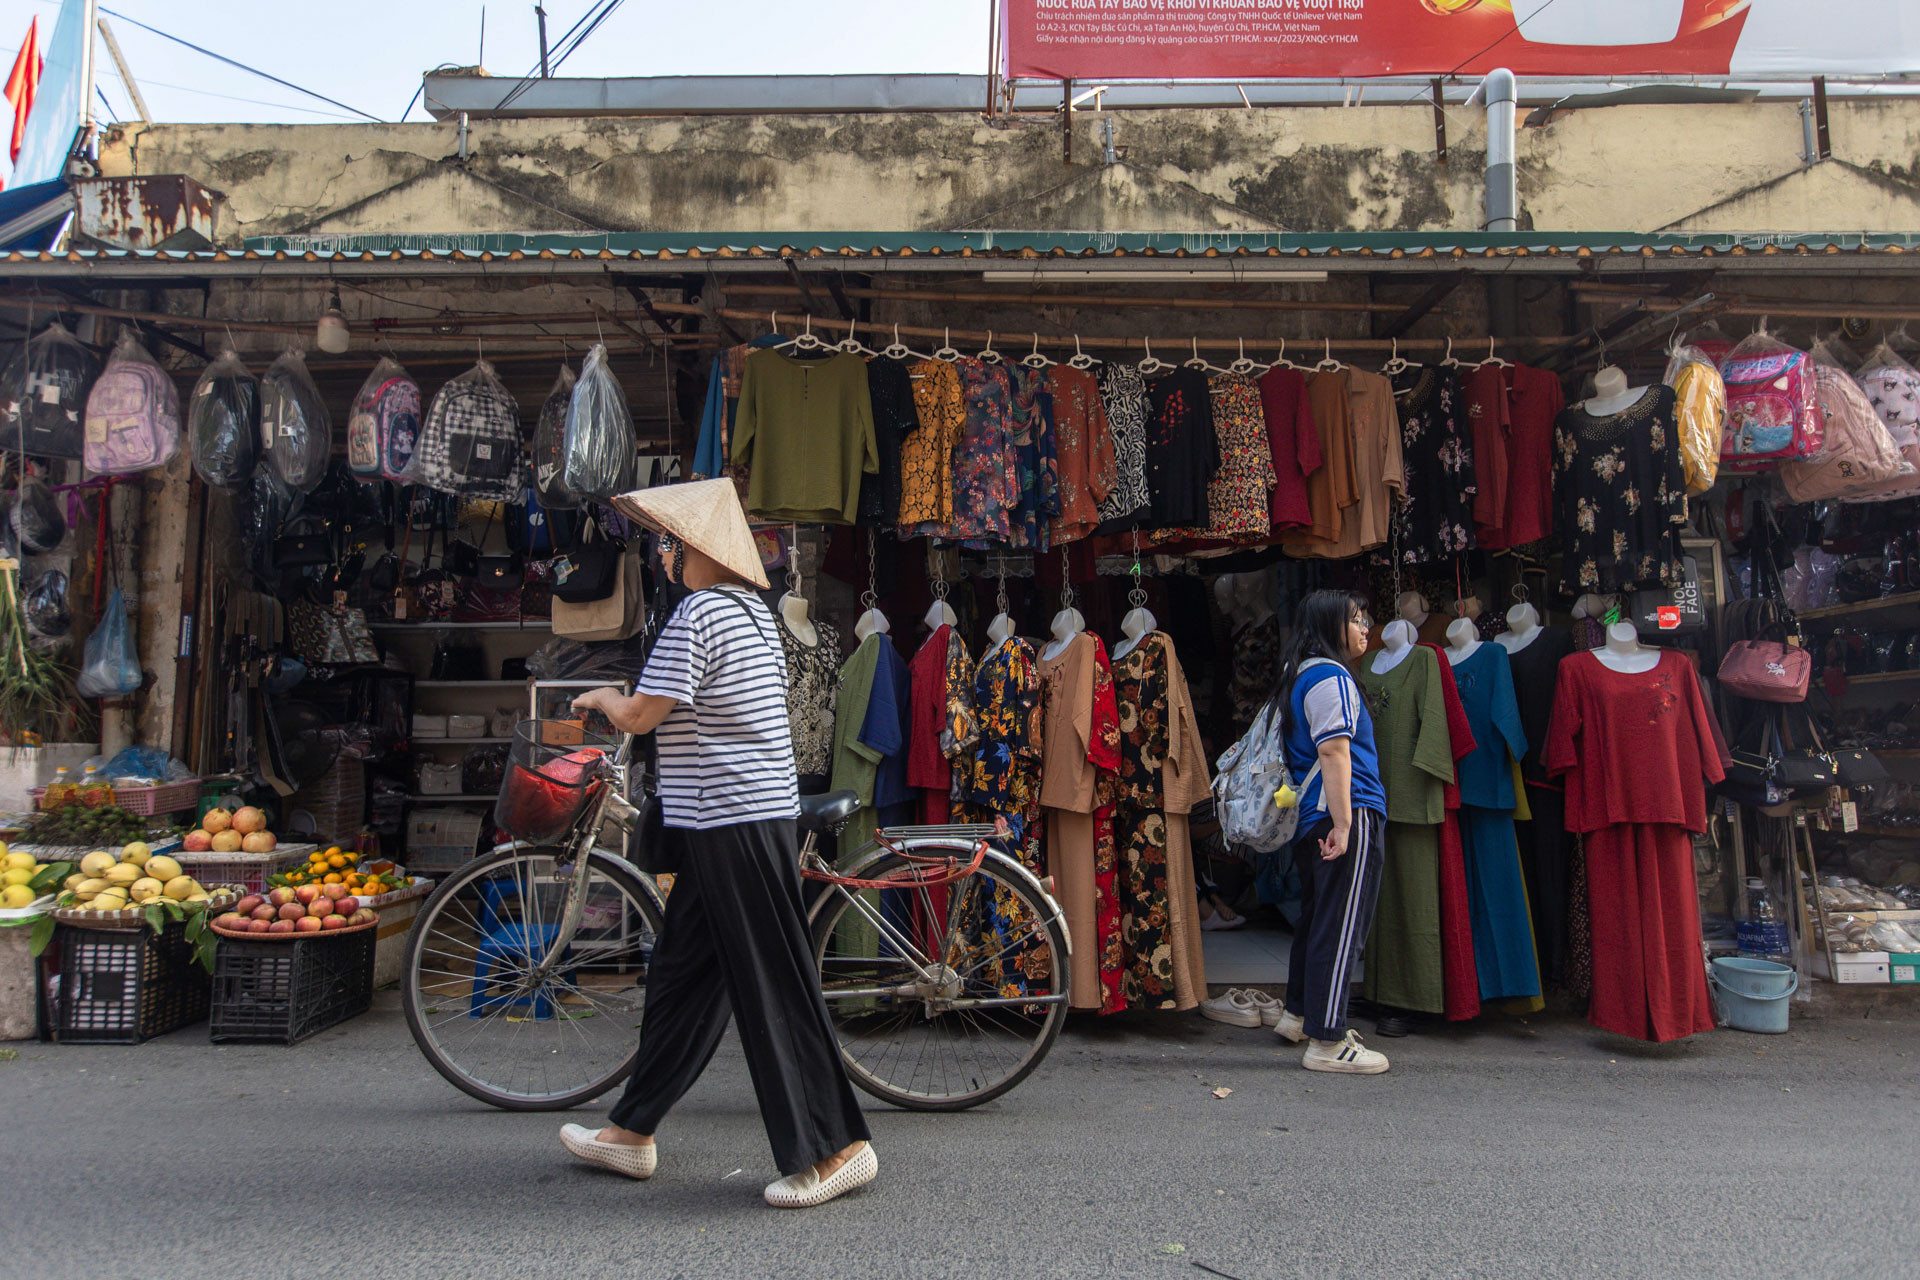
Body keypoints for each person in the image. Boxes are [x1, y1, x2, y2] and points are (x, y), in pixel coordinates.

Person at [555, 477, 877, 1208]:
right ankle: (632, 1132)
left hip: (735, 822)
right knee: (682, 976)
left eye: (670, 543)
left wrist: (602, 697)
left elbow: (640, 715)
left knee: (770, 984)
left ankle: (836, 1150)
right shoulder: (750, 611)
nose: (665, 555)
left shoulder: (700, 611)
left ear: (696, 550)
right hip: (726, 822)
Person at [1268, 589, 1392, 1075]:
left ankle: (1299, 1014)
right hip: (1346, 810)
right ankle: (1328, 1039)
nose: (1365, 628)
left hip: (1311, 815)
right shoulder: (1329, 675)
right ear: (1329, 625)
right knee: (1342, 926)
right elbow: (1334, 751)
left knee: (1320, 919)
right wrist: (1344, 824)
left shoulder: (1298, 674)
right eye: (1357, 619)